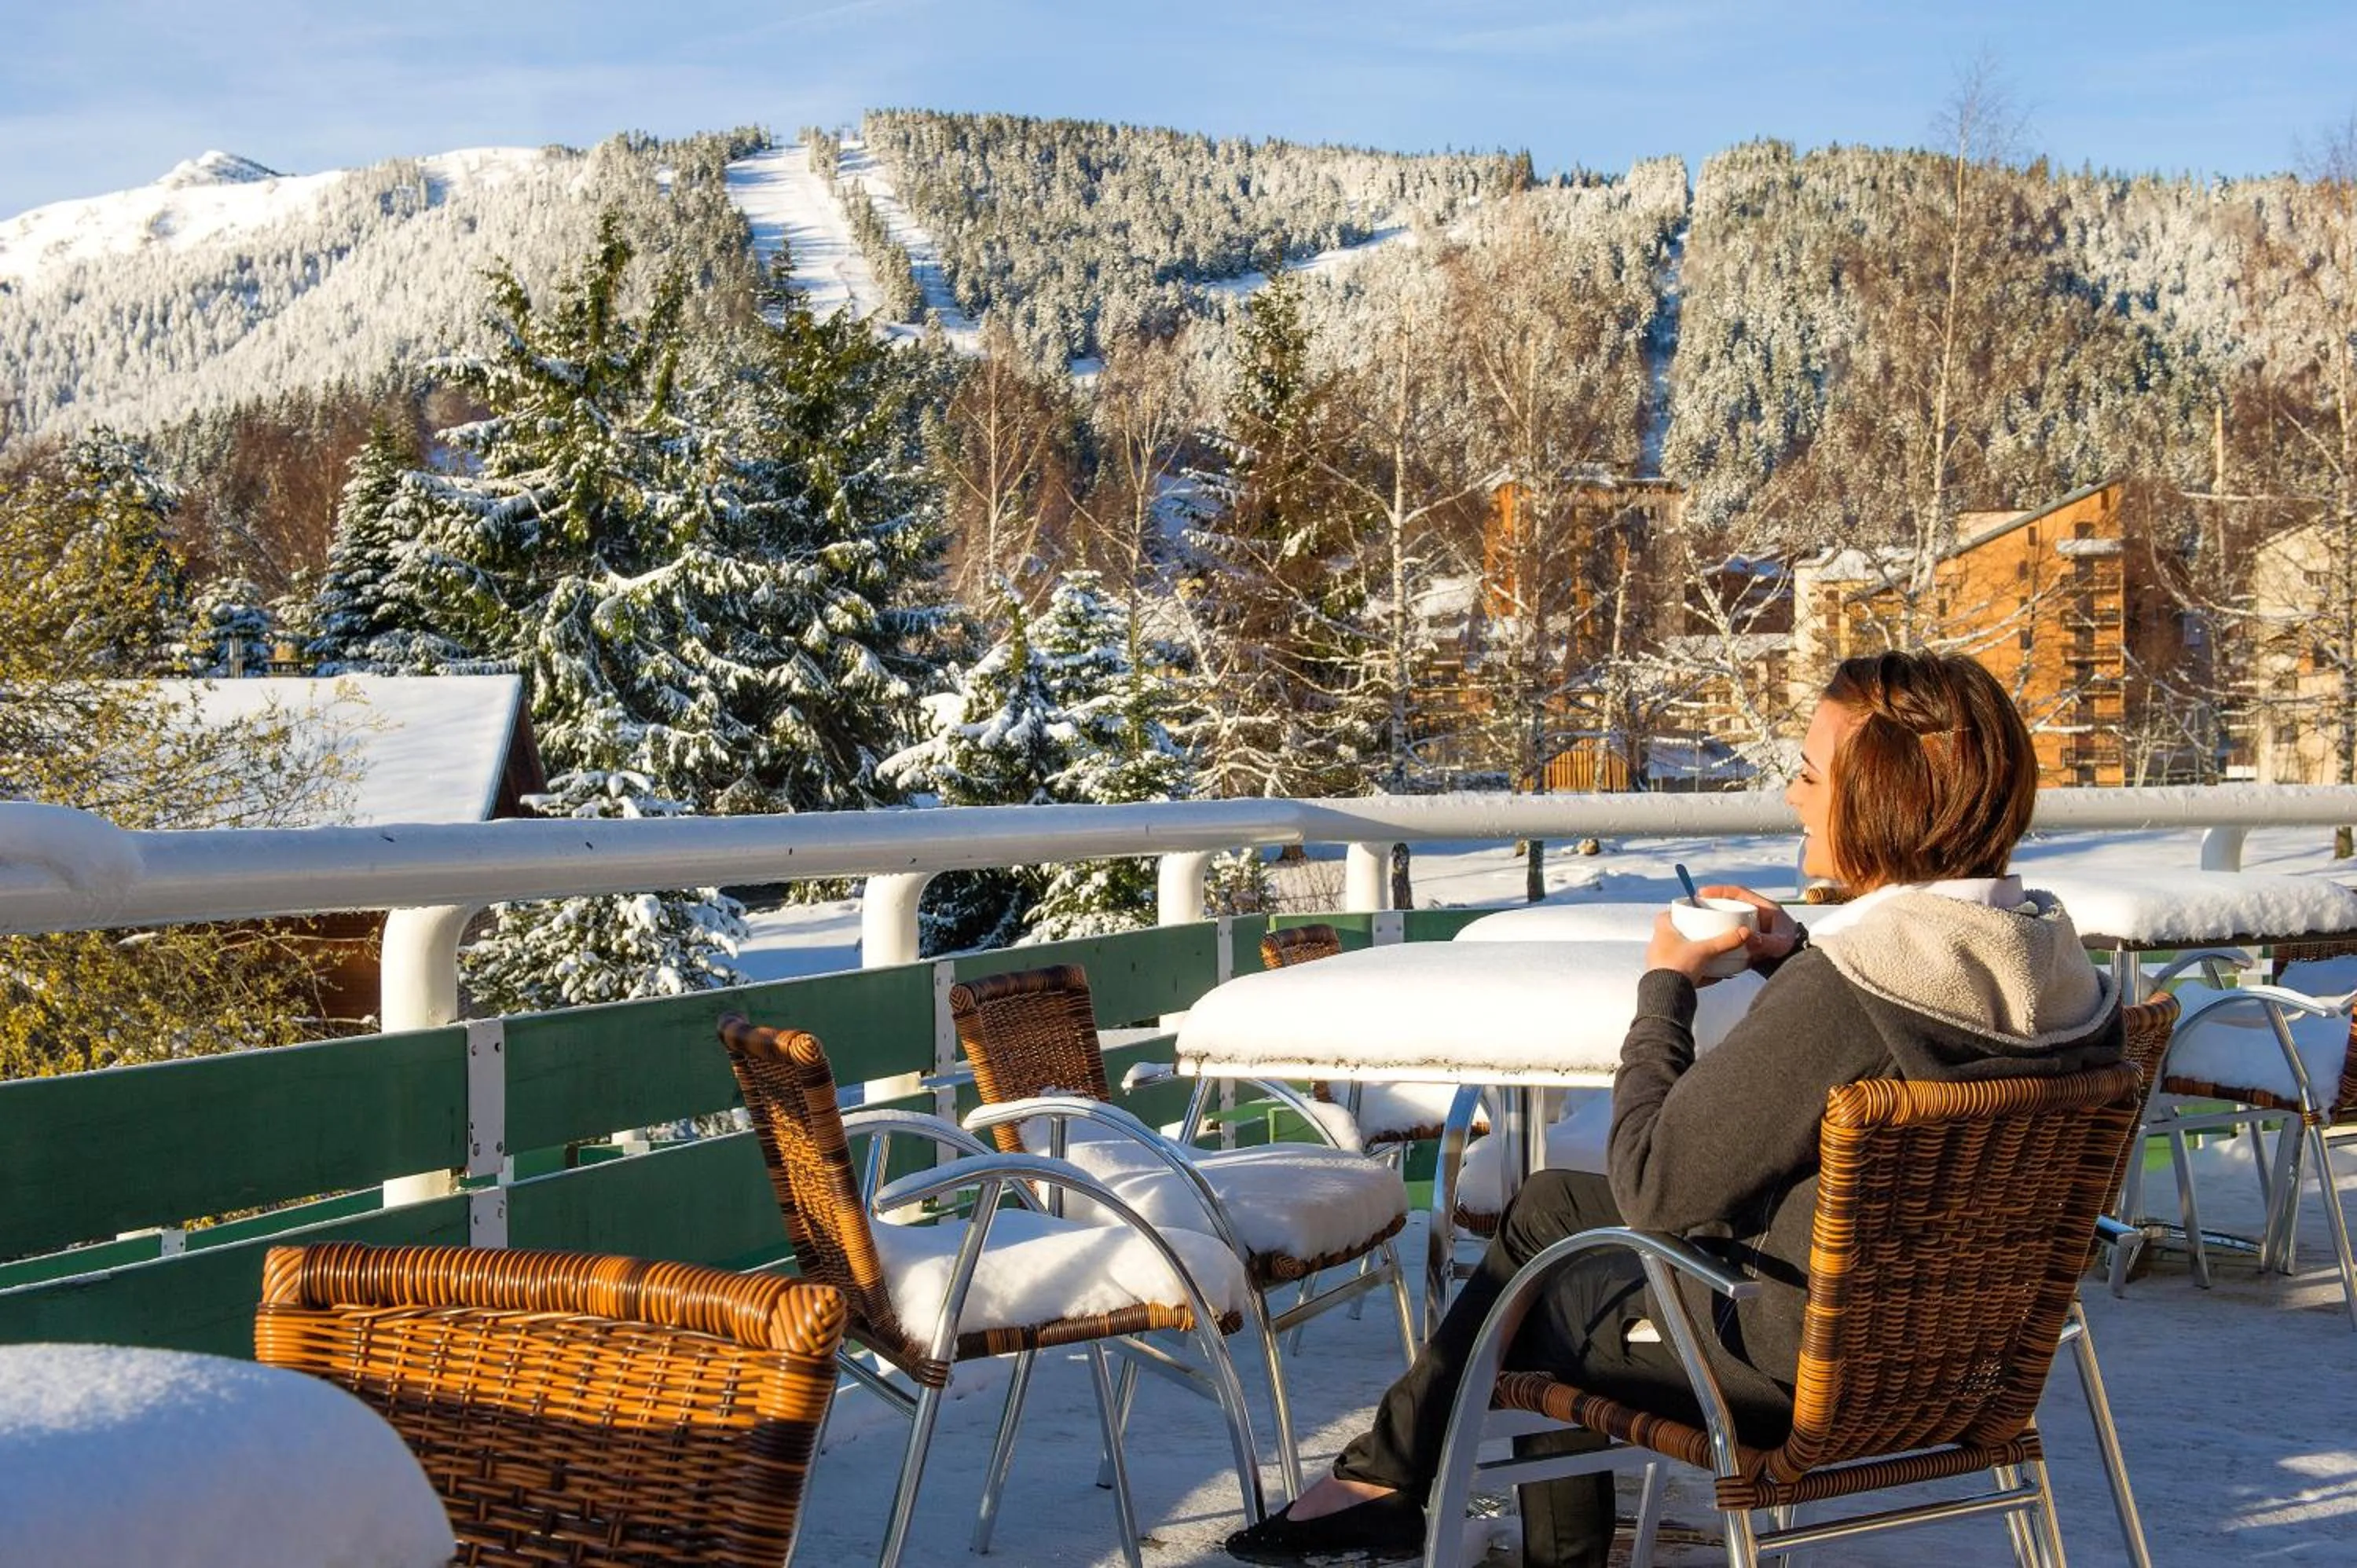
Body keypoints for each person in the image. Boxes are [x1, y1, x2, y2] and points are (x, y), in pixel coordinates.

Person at [1226, 650, 2124, 1567]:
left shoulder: (1847, 994)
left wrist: (1666, 989)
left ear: (1884, 795)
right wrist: (1798, 955)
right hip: (1964, 1355)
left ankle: (1420, 1499)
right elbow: (1917, 1029)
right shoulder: (2056, 970)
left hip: (1791, 1365)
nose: (1791, 796)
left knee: (1533, 1302)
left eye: (1811, 773)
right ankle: (1383, 1478)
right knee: (1549, 1207)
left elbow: (1657, 1187)